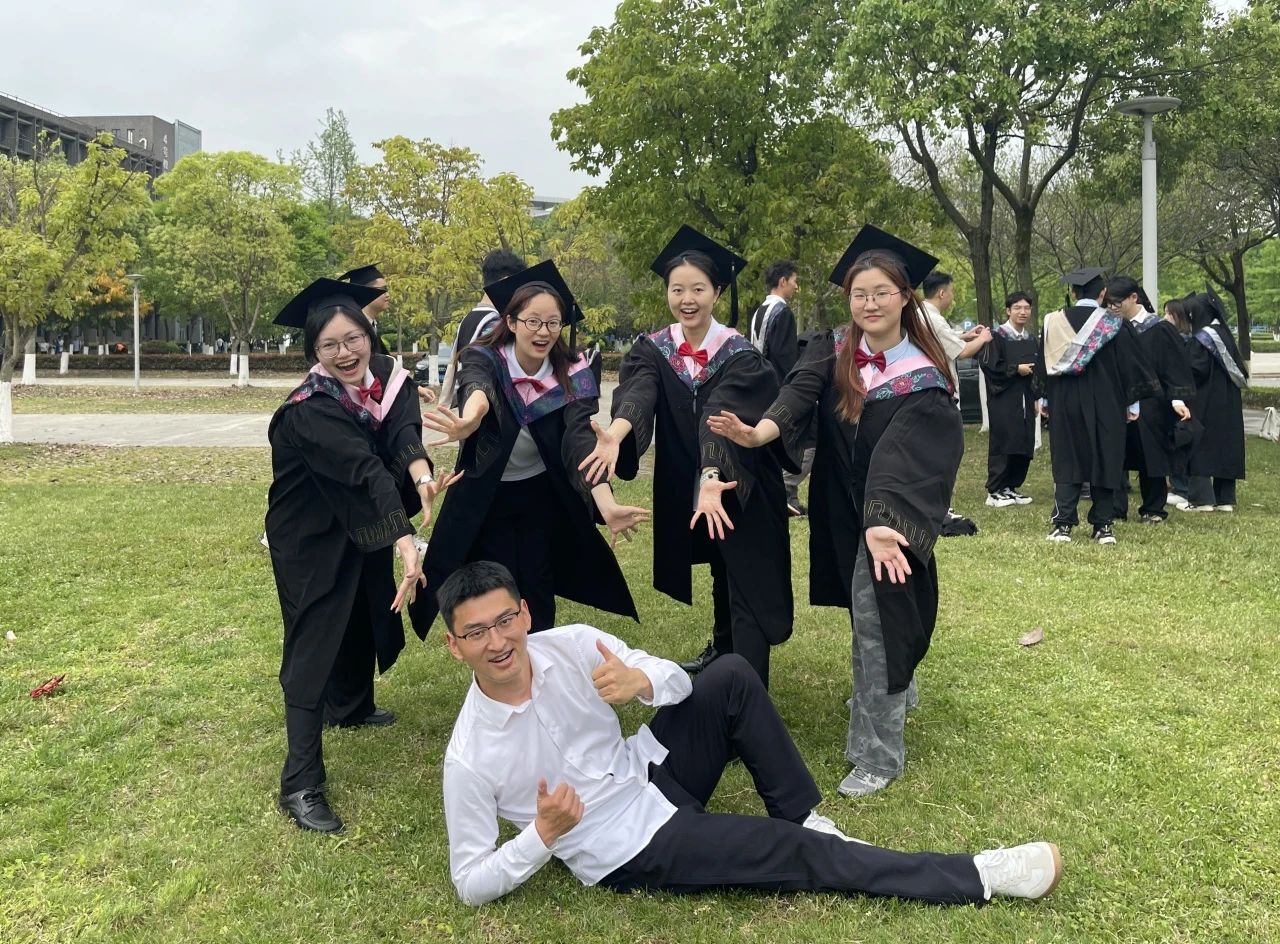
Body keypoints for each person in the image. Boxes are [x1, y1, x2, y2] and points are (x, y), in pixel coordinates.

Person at [439, 560, 1063, 907]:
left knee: (731, 674)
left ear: (524, 613)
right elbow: (470, 882)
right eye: (476, 633)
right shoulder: (469, 757)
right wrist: (543, 836)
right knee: (789, 854)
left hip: (649, 769)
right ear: (454, 646)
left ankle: (805, 816)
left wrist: (643, 682)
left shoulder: (572, 644)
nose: (497, 641)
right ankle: (977, 874)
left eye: (505, 620)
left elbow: (673, 680)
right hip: (624, 842)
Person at [708, 225, 963, 797]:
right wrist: (759, 433)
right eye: (859, 294)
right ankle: (898, 685)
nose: (870, 304)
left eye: (881, 292)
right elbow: (798, 393)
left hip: (891, 516)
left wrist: (884, 520)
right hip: (841, 506)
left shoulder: (923, 377)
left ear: (904, 297)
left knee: (877, 623)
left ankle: (877, 755)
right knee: (872, 613)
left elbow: (908, 456)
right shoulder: (834, 349)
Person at [265, 277, 456, 833]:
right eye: (329, 345)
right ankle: (299, 782)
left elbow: (401, 432)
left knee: (356, 615)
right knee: (314, 637)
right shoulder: (309, 408)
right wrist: (403, 538)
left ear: (368, 335)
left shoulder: (388, 376)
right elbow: (363, 468)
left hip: (359, 521)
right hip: (310, 535)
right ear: (314, 353)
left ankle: (349, 707)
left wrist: (420, 474)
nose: (345, 353)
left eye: (353, 338)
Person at [579, 226, 792, 688]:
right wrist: (617, 432)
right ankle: (723, 649)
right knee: (718, 562)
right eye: (677, 289)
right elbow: (638, 393)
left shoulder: (739, 355)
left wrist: (711, 473)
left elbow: (720, 413)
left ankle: (747, 689)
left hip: (742, 482)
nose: (687, 299)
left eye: (698, 289)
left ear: (717, 292)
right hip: (690, 482)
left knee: (744, 576)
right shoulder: (654, 350)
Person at [415, 260, 645, 634]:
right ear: (511, 322)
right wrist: (470, 418)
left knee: (538, 580)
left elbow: (579, 439)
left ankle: (539, 654)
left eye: (553, 322)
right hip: (486, 494)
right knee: (494, 580)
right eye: (533, 321)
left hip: (541, 491)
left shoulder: (572, 372)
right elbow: (478, 388)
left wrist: (605, 503)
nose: (543, 331)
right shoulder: (485, 356)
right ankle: (500, 649)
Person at [1036, 268, 1160, 545]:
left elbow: (1044, 362)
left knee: (1068, 456)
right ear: (1103, 293)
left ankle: (1063, 524)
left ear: (1073, 293)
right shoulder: (1114, 323)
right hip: (1107, 401)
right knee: (1107, 456)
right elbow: (1130, 367)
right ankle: (1103, 525)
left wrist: (1044, 398)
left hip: (1065, 400)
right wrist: (1133, 403)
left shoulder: (1052, 321)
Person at [1106, 277, 1194, 523]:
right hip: (1117, 400)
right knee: (1115, 454)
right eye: (1109, 303)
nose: (1113, 308)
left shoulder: (1159, 328)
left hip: (1152, 403)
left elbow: (1174, 367)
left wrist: (1177, 400)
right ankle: (1115, 508)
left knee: (1151, 455)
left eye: (1117, 302)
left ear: (1134, 297)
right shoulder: (1109, 327)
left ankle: (1153, 508)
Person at [919, 270, 990, 535]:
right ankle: (940, 507)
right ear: (942, 293)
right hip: (941, 395)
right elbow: (962, 353)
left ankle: (932, 504)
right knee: (945, 454)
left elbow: (945, 341)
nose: (953, 296)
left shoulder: (919, 314)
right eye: (952, 291)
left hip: (926, 393)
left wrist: (965, 334)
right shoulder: (935, 319)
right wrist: (982, 338)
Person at [750, 260, 809, 516]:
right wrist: (796, 388)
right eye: (794, 281)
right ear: (783, 281)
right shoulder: (782, 312)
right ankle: (785, 491)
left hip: (759, 384)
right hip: (778, 387)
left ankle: (787, 495)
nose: (796, 286)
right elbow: (785, 357)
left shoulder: (760, 310)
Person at [1180, 287, 1247, 512]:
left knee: (1200, 443)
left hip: (1205, 400)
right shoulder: (1225, 334)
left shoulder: (1203, 338)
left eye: (1192, 313)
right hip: (1228, 401)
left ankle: (1201, 499)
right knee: (1226, 444)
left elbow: (1194, 370)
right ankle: (1225, 499)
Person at [439, 249, 528, 408]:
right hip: (490, 410)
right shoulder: (495, 324)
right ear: (506, 282)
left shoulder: (469, 319)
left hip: (471, 404)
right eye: (518, 286)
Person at [979, 291, 1041, 507]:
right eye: (1017, 308)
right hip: (1004, 398)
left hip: (1026, 397)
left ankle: (1010, 487)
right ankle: (995, 490)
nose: (1022, 312)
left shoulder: (1031, 339)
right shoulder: (997, 337)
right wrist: (1016, 369)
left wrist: (1036, 397)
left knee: (1023, 441)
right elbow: (990, 366)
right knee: (1005, 440)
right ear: (1008, 311)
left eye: (1026, 308)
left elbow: (1038, 371)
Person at [338, 263, 393, 357]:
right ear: (366, 291)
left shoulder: (371, 325)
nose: (387, 294)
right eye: (383, 289)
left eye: (387, 289)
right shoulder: (353, 328)